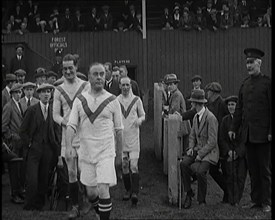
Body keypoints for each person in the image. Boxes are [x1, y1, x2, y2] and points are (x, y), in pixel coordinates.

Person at [65, 62, 123, 220]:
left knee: (103, 188)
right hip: (86, 153)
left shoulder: (112, 100)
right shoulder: (80, 100)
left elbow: (119, 130)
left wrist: (119, 154)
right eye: (95, 74)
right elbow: (71, 126)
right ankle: (99, 212)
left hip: (106, 151)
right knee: (91, 193)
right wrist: (69, 146)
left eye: (102, 74)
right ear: (89, 77)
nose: (99, 77)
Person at [229, 48, 271, 213]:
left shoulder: (267, 83)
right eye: (247, 62)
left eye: (251, 62)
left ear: (259, 63)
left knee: (265, 169)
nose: (249, 65)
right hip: (248, 136)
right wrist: (233, 128)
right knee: (253, 170)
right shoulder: (244, 85)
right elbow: (239, 109)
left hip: (264, 136)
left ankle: (267, 202)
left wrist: (270, 131)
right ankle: (256, 200)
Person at [53, 54, 88, 219]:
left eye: (70, 68)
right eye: (65, 69)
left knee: (85, 170)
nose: (68, 71)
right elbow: (55, 115)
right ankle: (75, 207)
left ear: (76, 67)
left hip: (84, 135)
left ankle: (89, 202)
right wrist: (65, 121)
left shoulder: (86, 86)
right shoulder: (58, 90)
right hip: (68, 137)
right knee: (72, 173)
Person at [20, 83, 60, 211]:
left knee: (44, 178)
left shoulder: (53, 111)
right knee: (32, 179)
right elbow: (23, 131)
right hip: (34, 150)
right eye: (43, 92)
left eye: (49, 91)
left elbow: (56, 131)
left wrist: (57, 150)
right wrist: (30, 144)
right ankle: (29, 205)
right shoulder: (32, 110)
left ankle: (39, 204)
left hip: (48, 150)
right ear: (39, 94)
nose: (46, 94)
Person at [180, 89, 219, 209]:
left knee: (201, 172)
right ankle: (188, 193)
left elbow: (212, 141)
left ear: (197, 104)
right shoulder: (196, 116)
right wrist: (191, 148)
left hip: (209, 151)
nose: (191, 105)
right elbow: (192, 135)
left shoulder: (210, 118)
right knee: (183, 164)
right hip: (198, 148)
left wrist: (200, 155)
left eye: (192, 103)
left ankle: (202, 200)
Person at [117, 76, 145, 205]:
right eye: (123, 85)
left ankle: (135, 192)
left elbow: (143, 115)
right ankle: (128, 190)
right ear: (120, 86)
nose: (125, 87)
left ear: (131, 86)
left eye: (127, 85)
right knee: (124, 166)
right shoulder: (117, 100)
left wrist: (139, 120)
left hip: (133, 137)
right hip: (122, 138)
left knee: (133, 165)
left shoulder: (136, 100)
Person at [219, 95, 247, 206]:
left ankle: (237, 199)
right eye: (229, 105)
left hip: (241, 154)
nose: (231, 107)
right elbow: (222, 138)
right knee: (230, 176)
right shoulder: (225, 121)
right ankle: (231, 200)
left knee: (240, 176)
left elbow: (245, 139)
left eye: (233, 105)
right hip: (229, 153)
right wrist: (229, 151)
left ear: (237, 106)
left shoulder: (243, 120)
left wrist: (238, 153)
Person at [205, 81, 229, 203]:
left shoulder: (223, 104)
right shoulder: (210, 105)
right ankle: (228, 192)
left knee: (223, 170)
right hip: (215, 142)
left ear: (214, 93)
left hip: (223, 143)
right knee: (214, 171)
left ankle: (229, 194)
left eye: (208, 91)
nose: (207, 94)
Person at [2, 83, 25, 204]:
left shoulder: (20, 104)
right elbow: (3, 127)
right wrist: (11, 137)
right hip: (13, 143)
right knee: (14, 169)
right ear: (11, 94)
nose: (19, 94)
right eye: (16, 92)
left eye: (20, 92)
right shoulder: (8, 106)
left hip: (21, 142)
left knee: (20, 168)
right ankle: (14, 194)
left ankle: (19, 191)